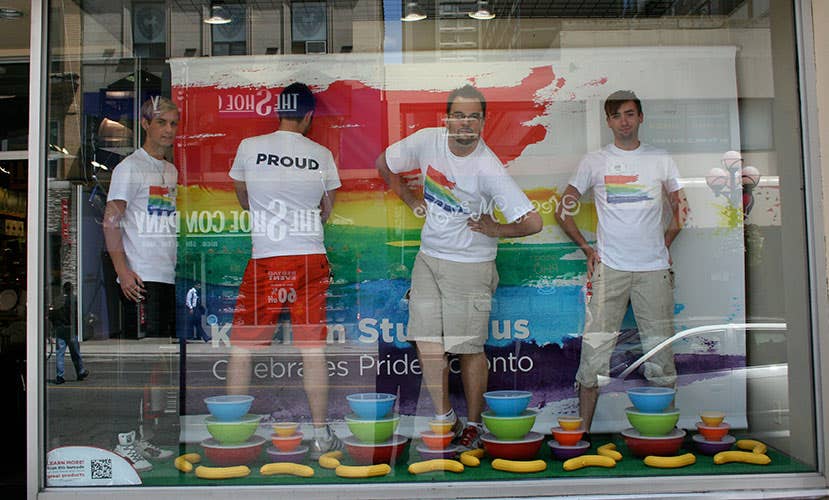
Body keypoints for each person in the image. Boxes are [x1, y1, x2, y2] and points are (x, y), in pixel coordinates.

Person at [375, 84, 542, 449]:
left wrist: (496, 228)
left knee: (468, 348)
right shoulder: (427, 141)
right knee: (426, 340)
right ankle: (443, 417)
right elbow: (383, 163)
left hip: (470, 265)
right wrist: (409, 198)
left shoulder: (488, 166)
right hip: (428, 258)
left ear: (483, 122)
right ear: (447, 118)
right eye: (459, 115)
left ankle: (474, 424)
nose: (465, 123)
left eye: (473, 117)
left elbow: (533, 223)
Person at [554, 90, 689, 434]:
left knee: (660, 355)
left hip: (654, 270)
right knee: (594, 353)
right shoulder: (594, 161)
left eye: (629, 114)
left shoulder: (660, 158)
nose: (624, 122)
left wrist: (664, 243)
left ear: (640, 117)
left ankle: (662, 435)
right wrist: (587, 249)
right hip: (609, 268)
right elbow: (562, 210)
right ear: (608, 121)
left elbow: (682, 209)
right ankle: (581, 433)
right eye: (616, 116)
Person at [225, 82, 342, 459]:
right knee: (312, 350)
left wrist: (264, 211)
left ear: (278, 111)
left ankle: (232, 435)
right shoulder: (321, 153)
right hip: (309, 256)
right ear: (308, 116)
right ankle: (321, 435)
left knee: (243, 348)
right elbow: (327, 208)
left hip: (267, 258)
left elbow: (243, 196)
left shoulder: (249, 148)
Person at [104, 96, 180, 472]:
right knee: (134, 367)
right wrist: (122, 270)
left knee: (154, 365)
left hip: (164, 276)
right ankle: (121, 444)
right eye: (162, 122)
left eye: (174, 123)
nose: (169, 130)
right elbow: (110, 220)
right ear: (146, 124)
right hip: (140, 277)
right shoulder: (129, 168)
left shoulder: (170, 171)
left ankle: (141, 439)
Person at [50, 281, 89, 385]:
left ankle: (60, 376)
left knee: (60, 353)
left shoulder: (57, 300)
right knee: (75, 352)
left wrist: (54, 326)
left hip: (59, 328)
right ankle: (80, 371)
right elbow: (77, 314)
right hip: (70, 328)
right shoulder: (74, 300)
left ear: (63, 289)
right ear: (71, 289)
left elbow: (51, 314)